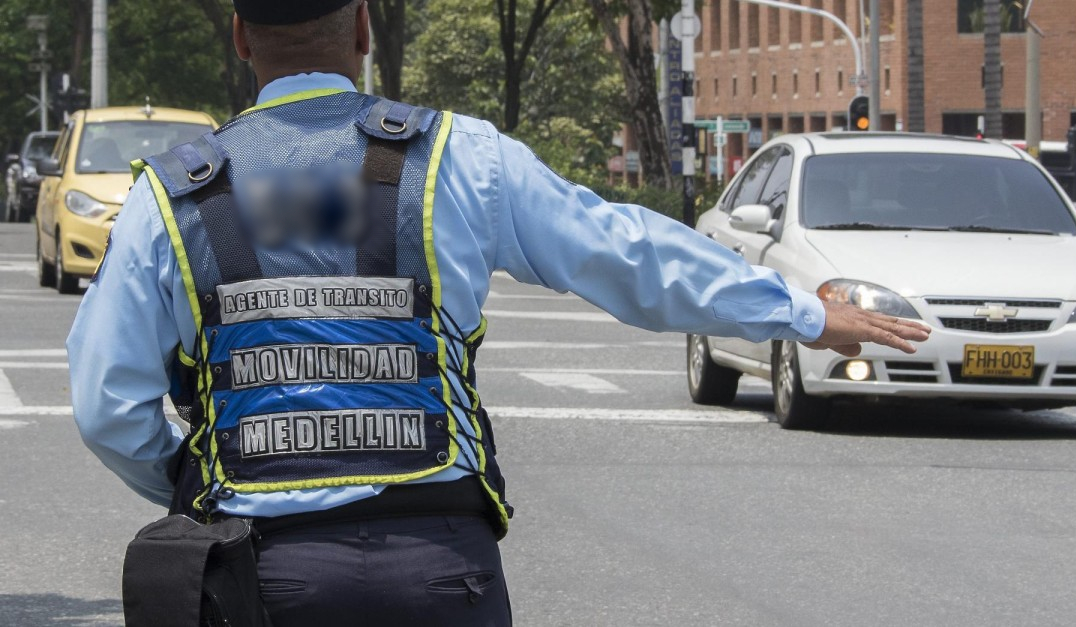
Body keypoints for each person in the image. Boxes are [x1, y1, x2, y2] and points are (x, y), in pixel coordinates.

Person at [66, 1, 929, 625]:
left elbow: (108, 403)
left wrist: (198, 476)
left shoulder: (172, 197)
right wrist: (801, 312)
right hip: (440, 572)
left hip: (261, 574)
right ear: (364, 31)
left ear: (240, 37)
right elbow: (622, 251)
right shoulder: (458, 157)